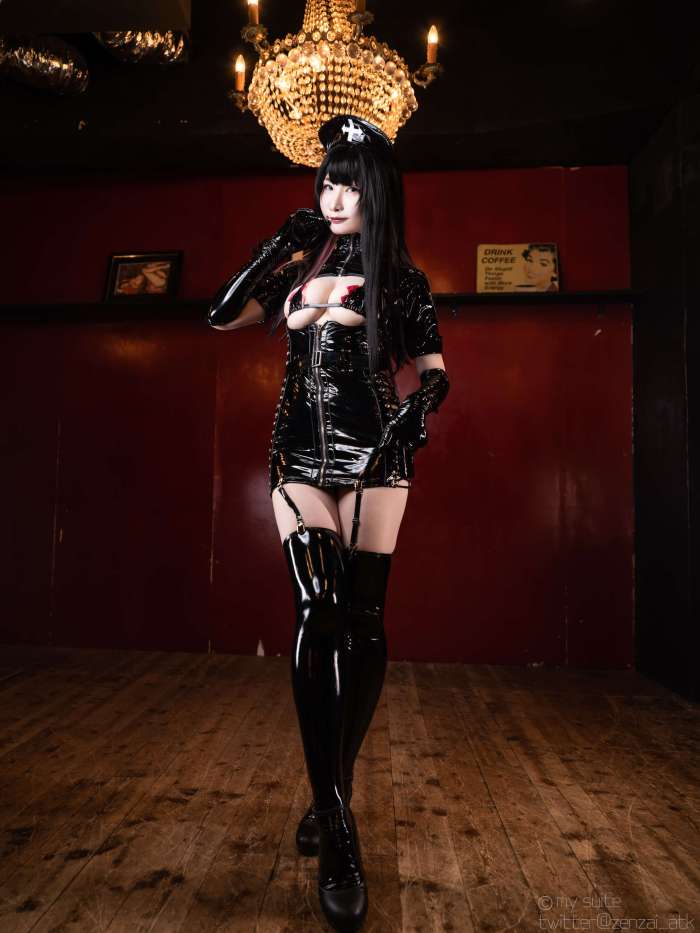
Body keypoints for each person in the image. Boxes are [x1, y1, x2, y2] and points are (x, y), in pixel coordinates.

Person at [207, 114, 450, 932]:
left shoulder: (403, 280)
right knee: (319, 610)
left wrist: (418, 410)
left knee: (366, 620)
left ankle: (328, 791)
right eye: (325, 183)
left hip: (377, 454)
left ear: (377, 191)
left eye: (348, 184)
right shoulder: (299, 267)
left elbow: (435, 373)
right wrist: (280, 243)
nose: (333, 197)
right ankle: (338, 830)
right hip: (299, 454)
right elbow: (220, 314)